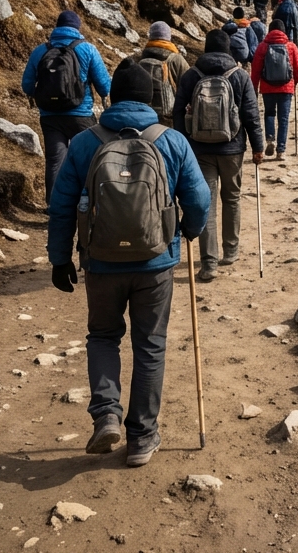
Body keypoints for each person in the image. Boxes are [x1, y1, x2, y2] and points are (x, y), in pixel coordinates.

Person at [45, 60, 210, 467]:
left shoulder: (86, 142)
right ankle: (142, 438)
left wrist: (59, 258)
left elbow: (61, 204)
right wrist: (188, 229)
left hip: (100, 260)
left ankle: (106, 415)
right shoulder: (170, 140)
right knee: (149, 345)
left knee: (103, 337)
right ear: (152, 99)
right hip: (156, 260)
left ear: (112, 96)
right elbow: (200, 197)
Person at [174, 28, 264, 282]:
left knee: (207, 204)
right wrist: (257, 146)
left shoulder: (191, 75)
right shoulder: (240, 76)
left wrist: (184, 145)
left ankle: (209, 263)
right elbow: (250, 114)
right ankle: (231, 250)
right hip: (232, 148)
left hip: (199, 150)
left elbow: (178, 111)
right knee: (232, 198)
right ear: (228, 49)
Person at [21, 10, 112, 205]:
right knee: (89, 158)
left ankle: (54, 207)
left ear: (57, 27)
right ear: (77, 28)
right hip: (81, 115)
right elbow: (104, 86)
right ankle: (88, 203)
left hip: (50, 116)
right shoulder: (87, 49)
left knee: (55, 160)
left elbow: (26, 85)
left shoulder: (40, 50)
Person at [250, 19, 298, 159]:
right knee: (283, 119)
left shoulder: (263, 47)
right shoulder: (290, 46)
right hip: (286, 89)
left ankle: (270, 138)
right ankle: (281, 150)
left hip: (267, 88)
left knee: (269, 113)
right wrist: (294, 83)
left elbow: (255, 69)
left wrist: (254, 87)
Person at [136, 22, 189, 127]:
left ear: (150, 36)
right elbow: (188, 84)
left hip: (142, 114)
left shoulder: (138, 57)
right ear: (168, 37)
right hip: (169, 117)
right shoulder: (176, 59)